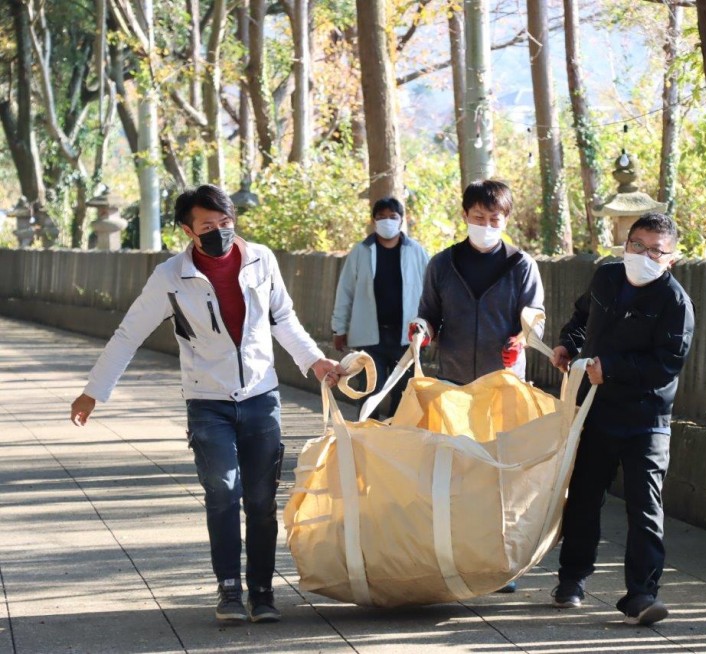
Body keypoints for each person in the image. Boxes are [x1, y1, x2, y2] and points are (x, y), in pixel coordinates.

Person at [69, 185, 345, 624]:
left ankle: (262, 590)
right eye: (208, 226)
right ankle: (229, 590)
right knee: (222, 491)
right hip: (207, 401)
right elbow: (129, 333)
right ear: (187, 230)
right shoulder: (170, 277)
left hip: (260, 397)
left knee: (260, 499)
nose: (220, 232)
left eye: (225, 223)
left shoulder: (261, 260)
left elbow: (284, 319)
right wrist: (94, 391)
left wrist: (315, 362)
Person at [548, 212, 695, 625]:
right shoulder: (606, 278)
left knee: (644, 507)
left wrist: (610, 367)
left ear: (671, 259)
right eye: (637, 246)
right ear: (625, 243)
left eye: (655, 251)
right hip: (595, 410)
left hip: (646, 419)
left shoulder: (676, 303)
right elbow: (582, 319)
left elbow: (667, 364)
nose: (644, 256)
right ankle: (571, 580)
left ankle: (642, 595)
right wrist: (567, 344)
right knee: (583, 497)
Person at [411, 179, 545, 592]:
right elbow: (428, 316)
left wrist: (521, 337)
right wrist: (421, 331)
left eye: (495, 218)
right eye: (478, 217)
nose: (486, 224)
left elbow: (534, 317)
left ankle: (498, 564)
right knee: (453, 474)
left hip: (502, 385)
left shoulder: (521, 265)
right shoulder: (442, 264)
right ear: (465, 215)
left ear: (506, 219)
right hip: (451, 386)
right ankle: (452, 556)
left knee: (498, 475)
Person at [331, 197, 429, 419]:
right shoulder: (361, 251)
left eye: (392, 217)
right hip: (369, 338)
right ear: (373, 221)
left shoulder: (417, 252)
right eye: (381, 217)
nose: (387, 222)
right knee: (370, 389)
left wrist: (432, 327)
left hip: (407, 337)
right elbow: (345, 290)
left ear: (401, 220)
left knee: (404, 392)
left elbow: (430, 292)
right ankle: (367, 437)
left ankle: (395, 439)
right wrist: (339, 329)